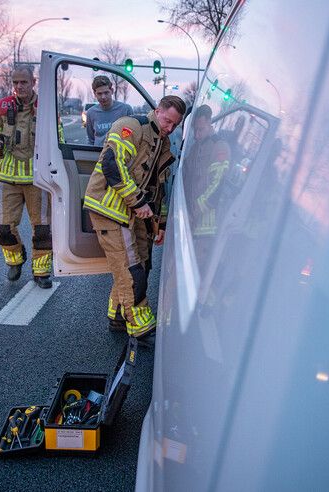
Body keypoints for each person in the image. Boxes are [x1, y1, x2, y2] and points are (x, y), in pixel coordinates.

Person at [83, 95, 186, 338]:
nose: (169, 128)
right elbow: (112, 165)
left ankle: (118, 315)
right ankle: (140, 325)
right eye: (167, 121)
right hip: (110, 209)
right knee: (131, 270)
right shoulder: (131, 127)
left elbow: (159, 189)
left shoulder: (164, 144)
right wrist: (138, 201)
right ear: (157, 110)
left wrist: (159, 224)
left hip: (133, 213)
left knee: (144, 264)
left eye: (175, 125)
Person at [0, 65, 52, 289]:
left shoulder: (46, 106)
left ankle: (41, 271)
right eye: (15, 82)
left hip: (37, 180)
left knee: (42, 229)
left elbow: (57, 137)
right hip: (7, 178)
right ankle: (15, 260)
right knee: (2, 228)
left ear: (33, 82)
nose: (19, 86)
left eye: (23, 82)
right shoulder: (2, 106)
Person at [187, 105, 231, 248]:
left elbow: (217, 186)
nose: (196, 135)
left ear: (209, 123)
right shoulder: (195, 147)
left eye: (200, 129)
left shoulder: (219, 147)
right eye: (195, 130)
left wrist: (194, 211)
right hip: (191, 221)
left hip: (205, 227)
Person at [85, 75, 133, 146]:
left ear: (112, 91)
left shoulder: (126, 110)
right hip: (98, 154)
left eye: (106, 93)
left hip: (119, 155)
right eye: (99, 94)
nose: (103, 97)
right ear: (95, 94)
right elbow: (91, 140)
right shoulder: (91, 113)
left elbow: (132, 136)